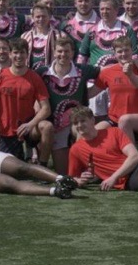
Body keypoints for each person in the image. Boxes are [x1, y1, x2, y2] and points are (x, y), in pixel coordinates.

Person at [35, 35, 98, 173]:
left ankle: (87, 166)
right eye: (59, 51)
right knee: (63, 172)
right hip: (54, 127)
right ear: (54, 52)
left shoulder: (83, 70)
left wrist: (93, 91)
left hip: (75, 123)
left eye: (67, 51)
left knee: (82, 128)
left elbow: (106, 73)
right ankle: (40, 163)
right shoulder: (42, 72)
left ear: (73, 52)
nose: (63, 54)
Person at [0, 37, 51, 163]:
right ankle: (26, 157)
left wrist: (31, 124)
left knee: (47, 127)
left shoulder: (34, 77)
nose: (18, 56)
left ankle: (42, 164)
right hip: (6, 129)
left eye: (22, 52)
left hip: (29, 126)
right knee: (12, 168)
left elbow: (46, 108)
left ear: (27, 54)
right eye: (15, 52)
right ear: (10, 54)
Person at [93, 36, 138, 127]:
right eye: (119, 51)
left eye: (126, 50)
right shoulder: (107, 72)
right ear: (114, 54)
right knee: (95, 131)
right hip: (114, 119)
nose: (123, 54)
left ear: (132, 50)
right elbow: (91, 92)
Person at [21, 2, 61, 70]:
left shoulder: (59, 36)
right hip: (29, 74)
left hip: (51, 74)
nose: (41, 19)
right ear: (33, 18)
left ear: (49, 17)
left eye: (44, 16)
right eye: (38, 17)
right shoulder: (24, 37)